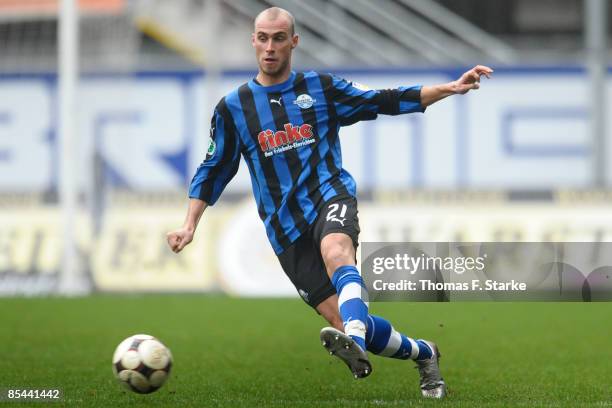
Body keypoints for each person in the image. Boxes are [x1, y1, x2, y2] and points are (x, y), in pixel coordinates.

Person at [167, 6, 492, 399]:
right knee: (343, 316)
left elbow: (381, 100)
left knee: (337, 250)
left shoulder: (320, 88)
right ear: (253, 41)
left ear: (294, 42)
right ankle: (424, 352)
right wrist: (190, 224)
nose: (270, 47)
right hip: (284, 227)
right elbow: (214, 168)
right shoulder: (233, 108)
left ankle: (353, 335)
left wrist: (449, 88)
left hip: (329, 195)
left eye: (279, 38)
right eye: (263, 38)